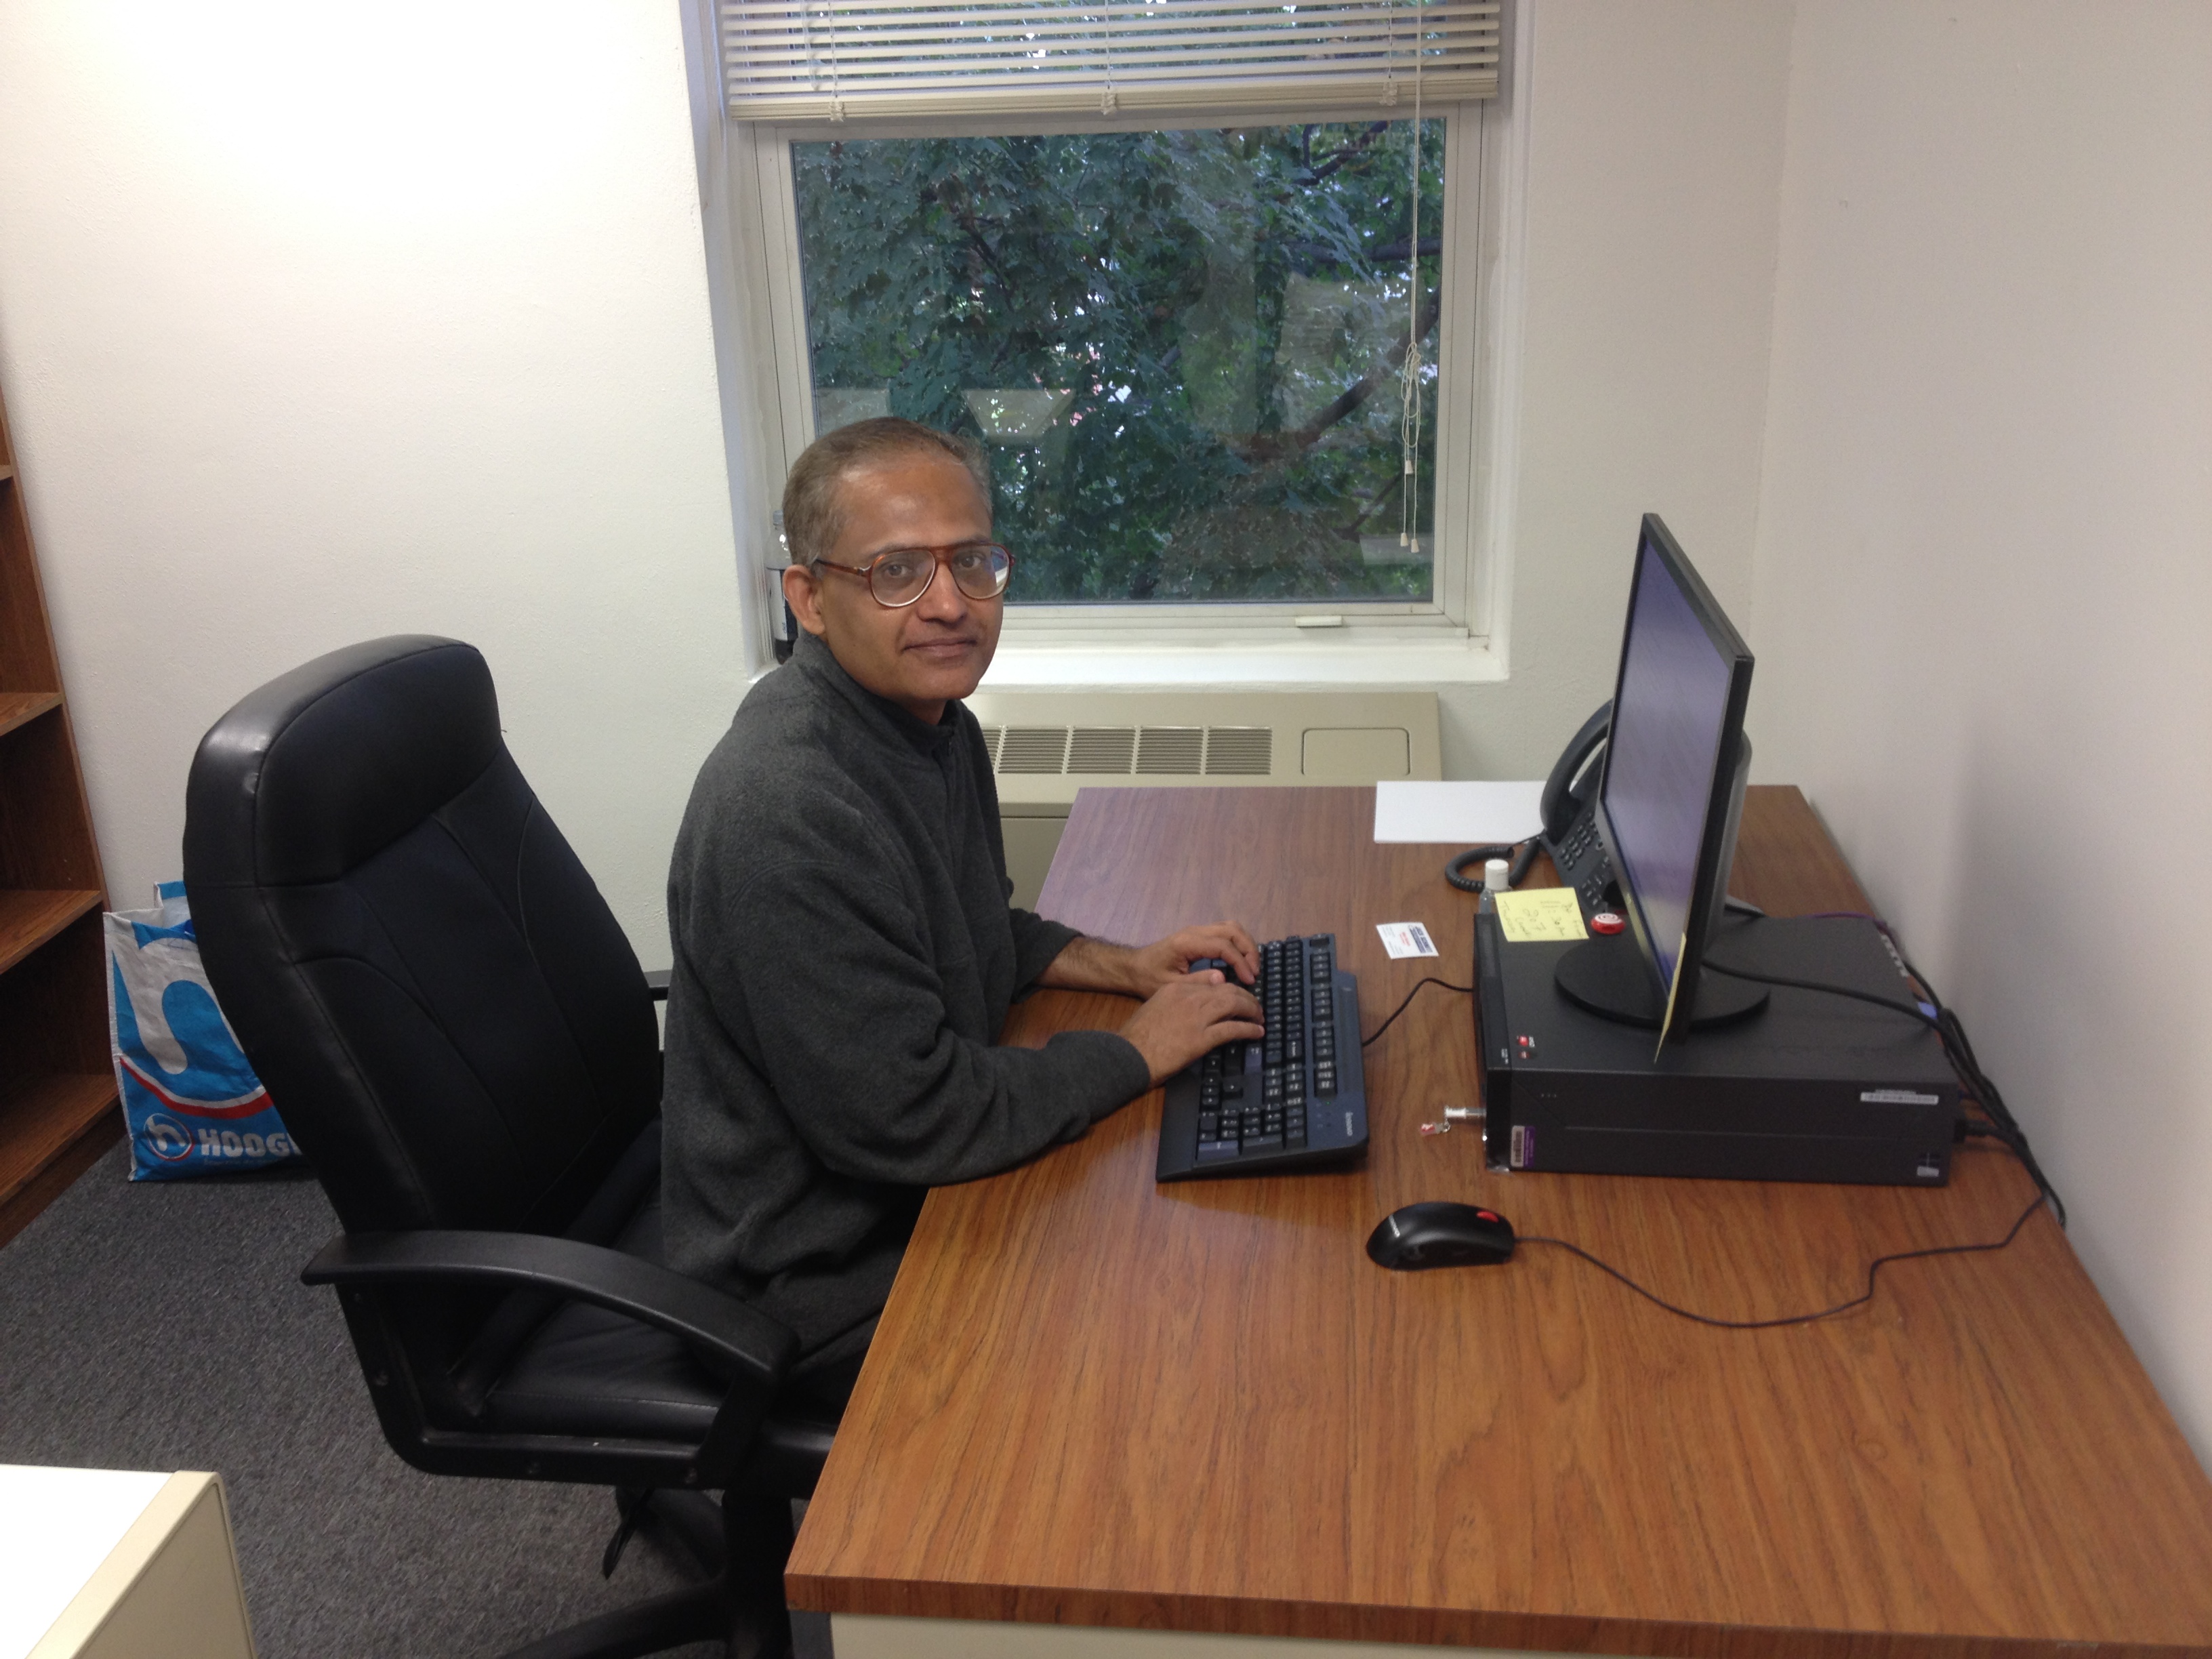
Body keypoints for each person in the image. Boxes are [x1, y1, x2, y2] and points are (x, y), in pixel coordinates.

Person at [661, 417, 1265, 1409]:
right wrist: (1136, 1051)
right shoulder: (791, 806)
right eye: (897, 571)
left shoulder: (933, 731)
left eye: (972, 564)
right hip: (810, 1272)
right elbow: (912, 1119)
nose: (949, 605)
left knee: (1178, 1225)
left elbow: (968, 929)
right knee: (1172, 1324)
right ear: (809, 598)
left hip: (899, 1191)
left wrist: (1129, 968)